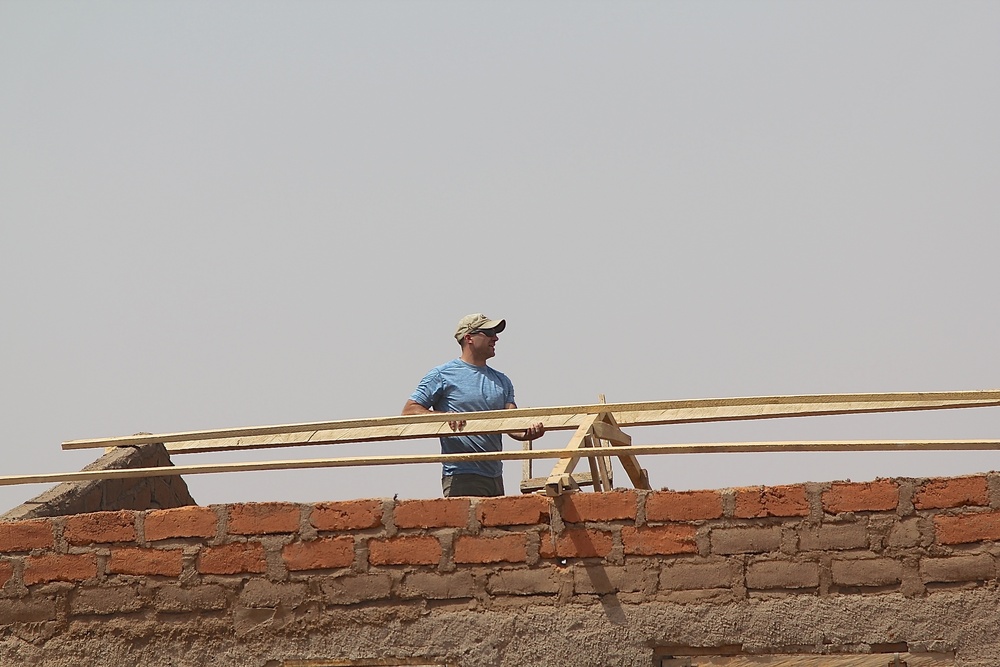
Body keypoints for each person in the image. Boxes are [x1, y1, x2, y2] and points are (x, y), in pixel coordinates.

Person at [402, 313, 545, 497]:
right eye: (489, 332)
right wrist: (444, 417)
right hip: (461, 476)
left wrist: (528, 432)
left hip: (495, 475)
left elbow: (511, 423)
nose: (495, 338)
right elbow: (409, 410)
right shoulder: (442, 375)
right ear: (469, 338)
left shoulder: (502, 381)